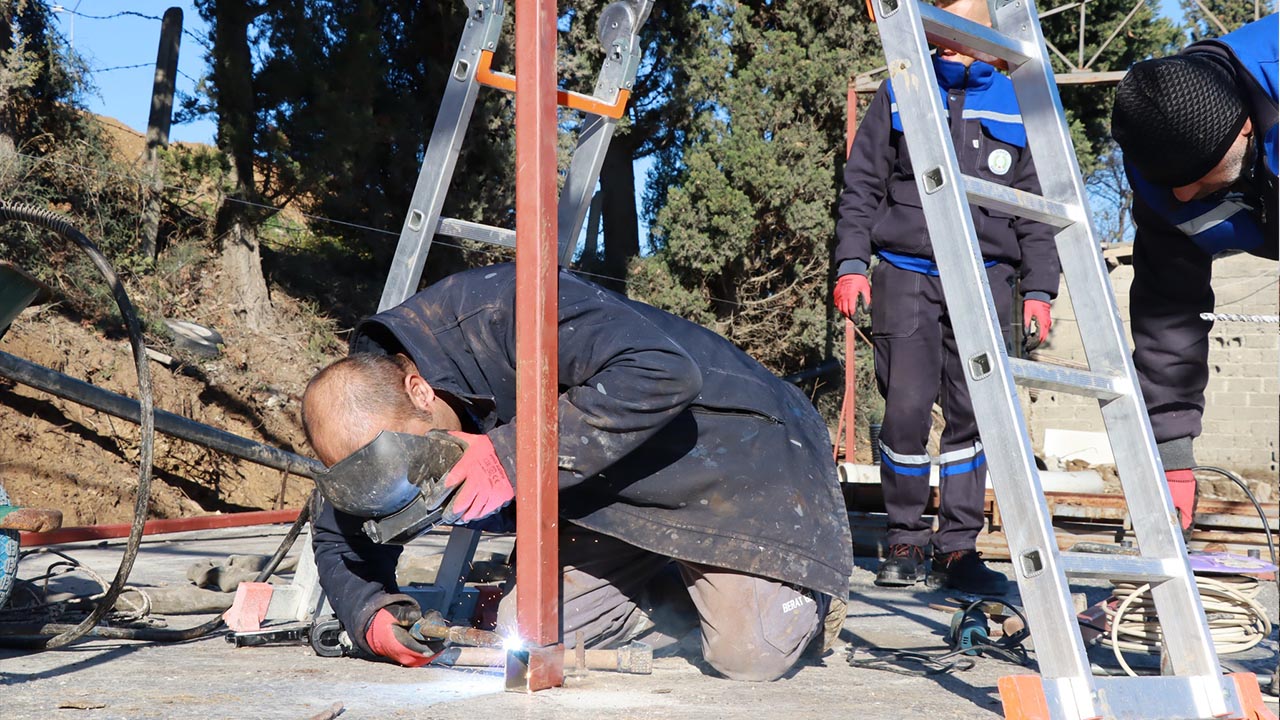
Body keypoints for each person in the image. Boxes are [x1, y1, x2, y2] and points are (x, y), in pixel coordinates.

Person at [301, 263, 854, 682]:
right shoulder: (370, 408)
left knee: (747, 654)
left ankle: (806, 594)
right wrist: (370, 614)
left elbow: (661, 372)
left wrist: (509, 456)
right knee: (529, 629)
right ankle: (679, 586)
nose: (423, 480)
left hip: (738, 456)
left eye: (419, 461)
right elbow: (338, 530)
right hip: (611, 492)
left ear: (419, 392)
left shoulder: (501, 307)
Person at [833, 0, 1060, 594]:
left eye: (965, 36)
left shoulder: (1018, 101)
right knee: (905, 410)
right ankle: (905, 538)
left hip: (988, 279)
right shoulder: (901, 90)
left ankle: (958, 549)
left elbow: (1038, 209)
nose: (951, 46)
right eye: (943, 36)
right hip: (905, 274)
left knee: (974, 415)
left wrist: (1039, 289)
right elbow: (862, 183)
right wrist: (852, 264)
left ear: (990, 43)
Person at [1110, 13, 1277, 532]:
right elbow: (1168, 309)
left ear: (1246, 129)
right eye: (1172, 184)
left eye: (1199, 181)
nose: (1183, 197)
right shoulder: (1160, 152)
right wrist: (1171, 454)